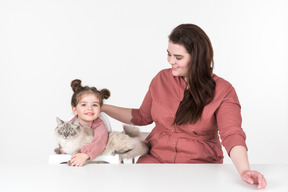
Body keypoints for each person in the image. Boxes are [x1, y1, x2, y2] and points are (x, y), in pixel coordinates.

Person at [102, 24, 267, 189]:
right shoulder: (161, 79)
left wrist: (245, 170)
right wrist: (103, 108)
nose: (171, 61)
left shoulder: (223, 90)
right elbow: (142, 116)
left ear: (197, 58)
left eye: (178, 57)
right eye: (169, 54)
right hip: (155, 160)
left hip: (199, 166)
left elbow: (232, 134)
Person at [69, 79, 110, 166]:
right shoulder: (71, 124)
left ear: (100, 109)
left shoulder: (99, 125)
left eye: (94, 105)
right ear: (75, 110)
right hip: (73, 155)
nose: (90, 108)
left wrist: (85, 154)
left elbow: (100, 141)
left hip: (94, 156)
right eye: (84, 104)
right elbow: (64, 137)